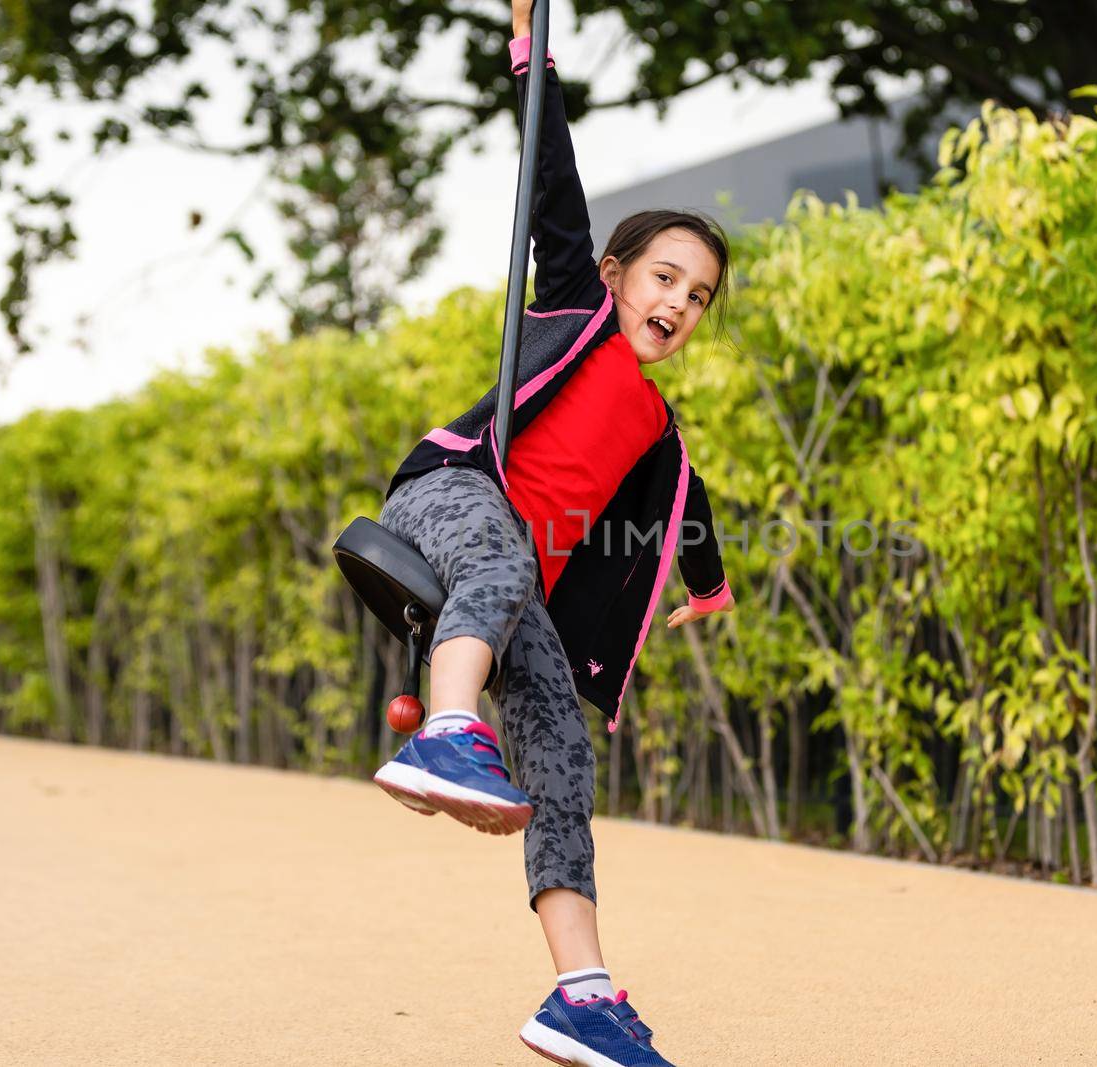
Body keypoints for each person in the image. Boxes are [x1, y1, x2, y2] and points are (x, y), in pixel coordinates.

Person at [371, 2, 734, 1063]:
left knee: (562, 756)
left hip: (504, 595)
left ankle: (579, 992)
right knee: (505, 551)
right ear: (618, 275)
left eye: (700, 296)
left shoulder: (659, 431)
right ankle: (443, 727)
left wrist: (707, 587)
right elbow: (552, 187)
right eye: (665, 276)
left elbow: (691, 512)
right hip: (446, 500)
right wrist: (532, 48)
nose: (678, 302)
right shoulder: (577, 305)